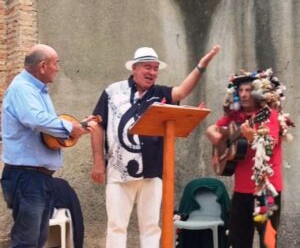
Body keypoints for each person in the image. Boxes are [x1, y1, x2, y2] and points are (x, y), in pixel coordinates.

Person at [90, 44, 221, 248]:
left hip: (152, 172)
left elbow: (182, 91)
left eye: (155, 68)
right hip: (118, 171)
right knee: (116, 226)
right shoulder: (112, 91)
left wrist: (201, 66)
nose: (152, 72)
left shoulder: (160, 93)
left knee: (151, 227)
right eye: (147, 67)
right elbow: (97, 125)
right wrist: (98, 162)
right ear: (134, 68)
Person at [0, 44, 96, 248]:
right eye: (56, 63)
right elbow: (37, 120)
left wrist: (78, 127)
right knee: (27, 241)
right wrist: (71, 128)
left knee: (37, 240)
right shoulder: (22, 89)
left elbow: (48, 132)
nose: (58, 68)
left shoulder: (36, 90)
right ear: (43, 66)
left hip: (36, 178)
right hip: (27, 178)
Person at [206, 69, 294, 248]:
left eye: (248, 90)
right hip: (241, 190)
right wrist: (214, 137)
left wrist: (251, 135)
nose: (244, 94)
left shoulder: (269, 115)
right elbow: (214, 129)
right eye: (240, 91)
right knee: (237, 241)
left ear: (257, 93)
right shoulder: (234, 117)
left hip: (266, 191)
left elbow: (268, 146)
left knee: (267, 242)